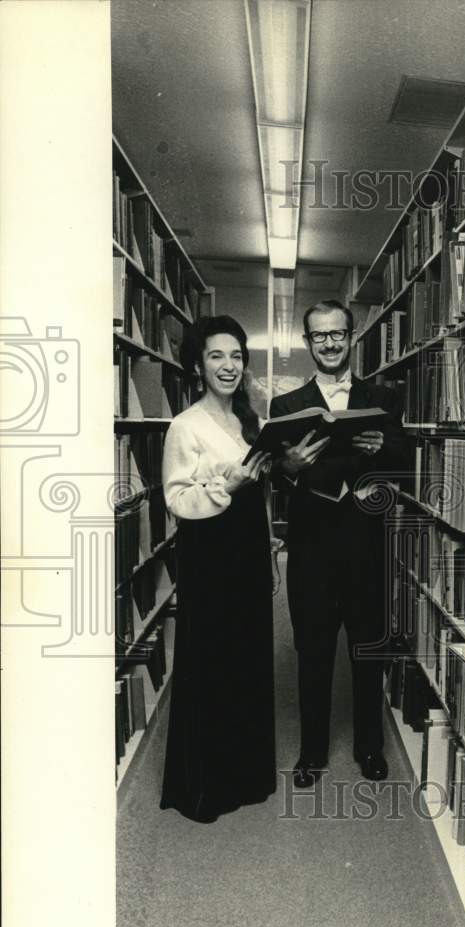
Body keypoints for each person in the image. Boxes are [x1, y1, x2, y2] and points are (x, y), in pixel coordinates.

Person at [270, 299, 410, 789]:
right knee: (313, 651)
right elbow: (274, 476)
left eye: (338, 334)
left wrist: (384, 451)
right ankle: (312, 754)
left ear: (352, 337)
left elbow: (404, 466)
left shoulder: (385, 398)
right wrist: (290, 469)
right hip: (311, 548)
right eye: (319, 335)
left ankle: (369, 747)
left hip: (367, 544)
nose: (329, 343)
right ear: (307, 342)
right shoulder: (285, 406)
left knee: (368, 649)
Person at [159, 315, 278, 823]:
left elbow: (263, 496)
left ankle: (246, 776)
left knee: (248, 658)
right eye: (216, 356)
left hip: (248, 548)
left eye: (235, 355)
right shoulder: (184, 426)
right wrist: (227, 487)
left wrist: (269, 552)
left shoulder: (250, 421)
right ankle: (208, 785)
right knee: (212, 661)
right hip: (210, 554)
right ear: (198, 364)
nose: (228, 366)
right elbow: (175, 499)